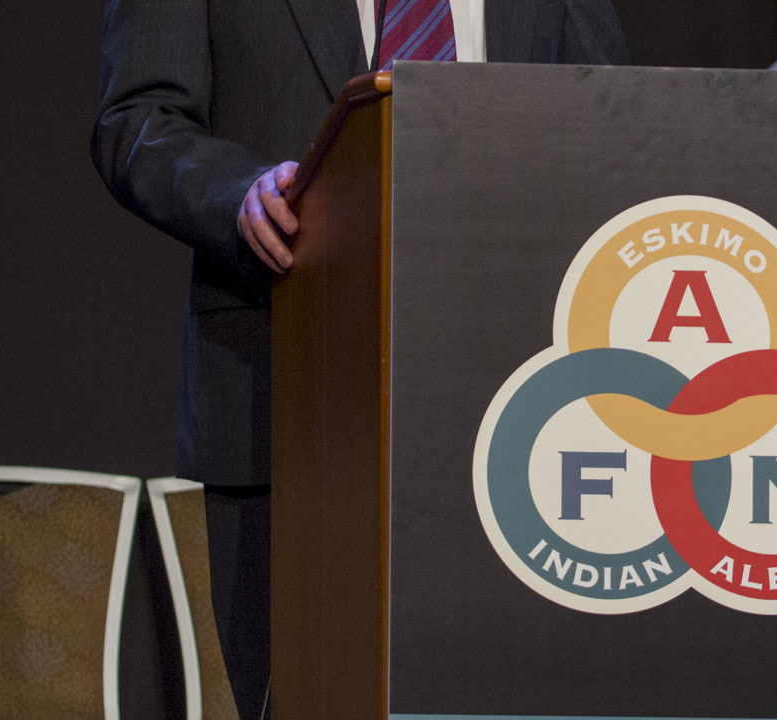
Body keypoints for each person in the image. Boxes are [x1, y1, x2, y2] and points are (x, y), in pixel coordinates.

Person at [91, 2, 629, 717]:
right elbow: (139, 121)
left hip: (525, 399)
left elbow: (618, 121)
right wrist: (239, 193)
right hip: (287, 385)